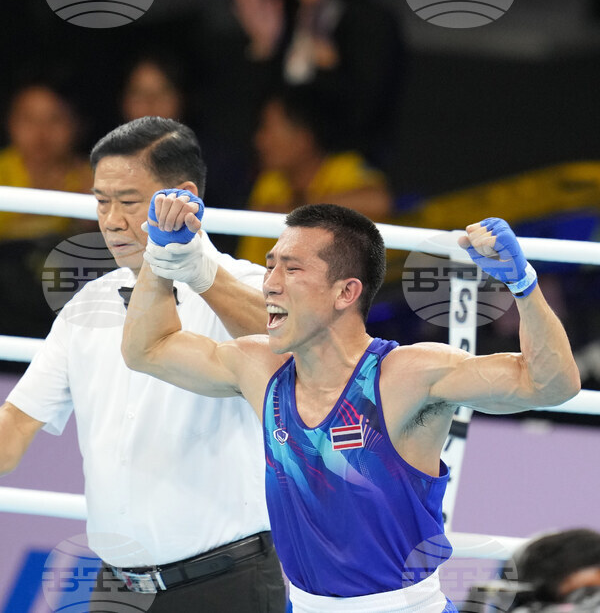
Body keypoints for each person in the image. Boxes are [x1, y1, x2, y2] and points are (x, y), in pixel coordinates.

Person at [123, 197, 580, 611]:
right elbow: (148, 349)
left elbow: (552, 384)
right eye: (270, 266)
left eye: (292, 269)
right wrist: (162, 255)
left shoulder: (407, 375)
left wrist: (523, 285)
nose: (269, 285)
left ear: (346, 292)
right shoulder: (259, 367)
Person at [0, 117, 287, 611]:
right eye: (101, 200)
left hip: (225, 584)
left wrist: (197, 270)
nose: (110, 220)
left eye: (128, 201)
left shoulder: (248, 285)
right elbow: (17, 419)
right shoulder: (88, 306)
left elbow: (293, 340)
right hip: (117, 590)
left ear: (183, 196)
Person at [0, 80, 94, 337]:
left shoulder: (97, 178)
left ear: (77, 125)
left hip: (68, 311)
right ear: (10, 122)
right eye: (29, 119)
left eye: (55, 119)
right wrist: (51, 208)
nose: (41, 133)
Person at [232, 0, 404, 166]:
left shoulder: (371, 21)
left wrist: (328, 69)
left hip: (349, 175)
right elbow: (257, 116)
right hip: (280, 176)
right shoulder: (284, 19)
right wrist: (265, 49)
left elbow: (368, 113)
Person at [235, 86, 392, 264]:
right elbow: (251, 260)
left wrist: (297, 211)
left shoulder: (344, 168)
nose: (259, 139)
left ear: (303, 138)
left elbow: (380, 201)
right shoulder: (270, 182)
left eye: (268, 128)